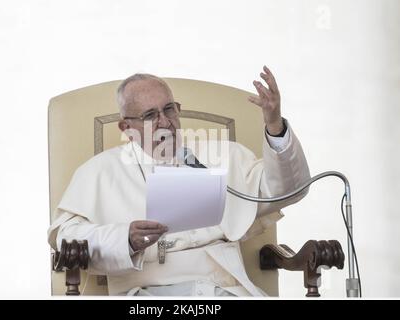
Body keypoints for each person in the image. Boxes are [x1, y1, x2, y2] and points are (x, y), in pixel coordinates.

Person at [47, 66, 310, 296]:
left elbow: (286, 191)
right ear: (126, 128)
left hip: (222, 288)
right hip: (142, 292)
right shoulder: (99, 171)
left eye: (169, 109)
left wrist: (274, 125)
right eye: (150, 115)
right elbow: (67, 237)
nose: (165, 122)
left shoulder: (222, 155)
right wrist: (124, 238)